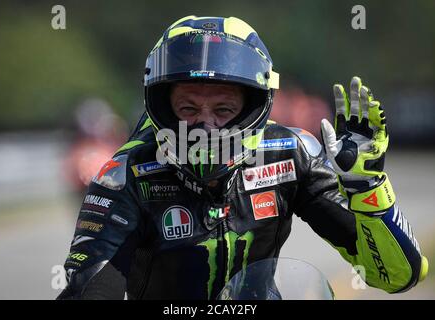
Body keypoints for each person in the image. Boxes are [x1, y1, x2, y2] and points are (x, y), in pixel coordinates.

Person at [57, 16, 428, 300]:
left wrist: (367, 189)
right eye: (188, 107)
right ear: (161, 106)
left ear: (254, 106)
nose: (206, 123)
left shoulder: (294, 154)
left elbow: (397, 276)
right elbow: (88, 291)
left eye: (223, 108)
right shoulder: (124, 176)